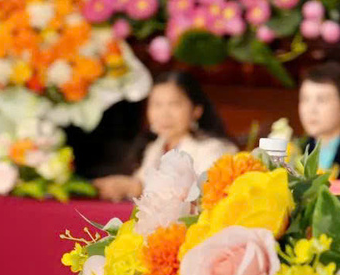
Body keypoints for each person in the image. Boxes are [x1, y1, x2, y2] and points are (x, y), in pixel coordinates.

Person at [93, 71, 238, 201]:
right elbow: (139, 183)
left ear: (196, 110)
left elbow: (204, 197)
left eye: (174, 104)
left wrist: (138, 189)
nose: (164, 114)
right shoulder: (154, 147)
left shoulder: (215, 150)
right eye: (157, 104)